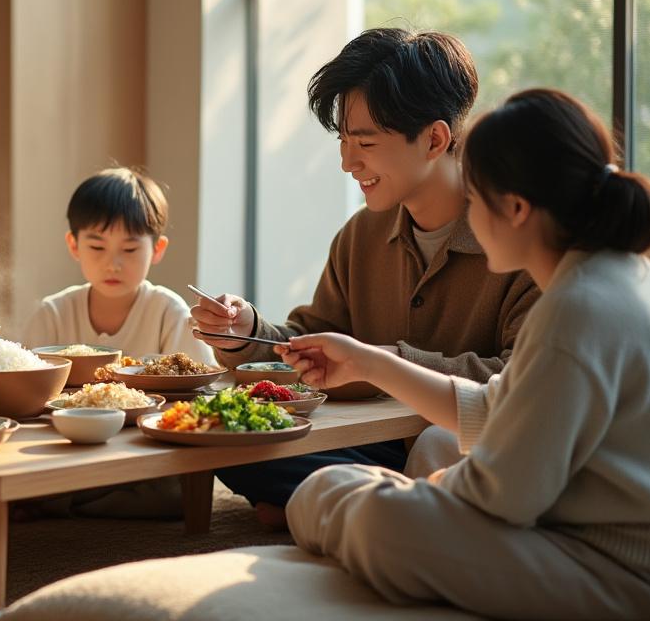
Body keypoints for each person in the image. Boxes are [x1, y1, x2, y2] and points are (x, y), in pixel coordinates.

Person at [280, 89, 650, 618]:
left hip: (612, 566)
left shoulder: (575, 309)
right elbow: (500, 409)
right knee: (366, 475)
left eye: (475, 202)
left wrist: (426, 491)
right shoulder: (620, 277)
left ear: (517, 209)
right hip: (593, 538)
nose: (469, 217)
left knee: (351, 509)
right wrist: (370, 363)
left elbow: (505, 497)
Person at [191, 28, 539, 526]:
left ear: (435, 139)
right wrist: (244, 332)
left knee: (445, 451)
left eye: (366, 142)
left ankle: (330, 507)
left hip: (473, 452)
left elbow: (521, 388)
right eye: (343, 140)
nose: (347, 162)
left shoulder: (519, 239)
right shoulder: (362, 234)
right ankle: (345, 506)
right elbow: (310, 340)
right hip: (373, 449)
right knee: (231, 439)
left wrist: (389, 364)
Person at [23, 166, 211, 362]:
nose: (112, 265)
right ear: (74, 245)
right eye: (97, 247)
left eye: (129, 249)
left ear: (157, 249)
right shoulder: (52, 315)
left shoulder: (169, 314)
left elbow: (202, 381)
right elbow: (24, 379)